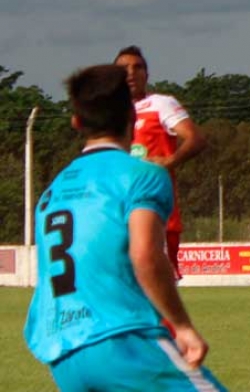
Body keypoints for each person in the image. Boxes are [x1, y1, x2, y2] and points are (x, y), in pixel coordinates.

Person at [23, 64, 226, 391]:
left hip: (62, 353)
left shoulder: (54, 190)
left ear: (76, 122)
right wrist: (183, 326)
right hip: (122, 337)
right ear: (132, 114)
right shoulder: (142, 175)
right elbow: (145, 254)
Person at [114, 45, 207, 279]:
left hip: (155, 210)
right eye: (124, 68)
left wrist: (169, 161)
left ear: (147, 74)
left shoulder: (160, 104)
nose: (131, 72)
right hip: (117, 211)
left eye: (138, 67)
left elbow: (195, 138)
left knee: (157, 292)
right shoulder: (108, 114)